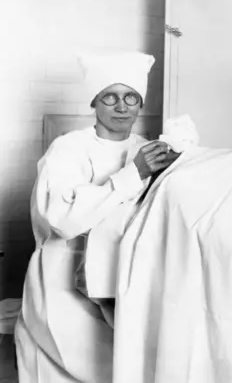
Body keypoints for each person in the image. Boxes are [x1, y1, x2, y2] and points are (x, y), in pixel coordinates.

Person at [14, 51, 179, 383]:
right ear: (95, 102)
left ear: (140, 104)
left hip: (121, 273)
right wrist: (134, 174)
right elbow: (63, 219)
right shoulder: (68, 149)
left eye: (131, 97)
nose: (121, 106)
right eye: (110, 97)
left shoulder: (146, 147)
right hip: (62, 278)